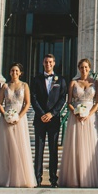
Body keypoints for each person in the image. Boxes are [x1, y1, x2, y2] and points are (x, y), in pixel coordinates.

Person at [60, 58, 98, 188]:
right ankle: (74, 177)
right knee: (76, 146)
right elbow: (69, 102)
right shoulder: (73, 83)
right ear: (78, 69)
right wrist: (76, 113)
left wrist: (89, 115)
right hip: (76, 117)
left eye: (86, 67)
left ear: (89, 69)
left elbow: (97, 103)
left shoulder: (95, 83)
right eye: (81, 67)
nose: (84, 70)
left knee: (89, 147)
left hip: (90, 118)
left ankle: (88, 177)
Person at [0, 62, 37, 188]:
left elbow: (27, 103)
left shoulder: (25, 85)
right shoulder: (5, 86)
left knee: (20, 147)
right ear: (9, 72)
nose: (14, 73)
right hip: (6, 119)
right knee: (8, 148)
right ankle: (8, 177)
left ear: (20, 73)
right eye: (12, 71)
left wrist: (19, 116)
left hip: (20, 119)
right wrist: (5, 115)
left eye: (16, 71)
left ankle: (21, 178)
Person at [30, 53, 67, 187]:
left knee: (53, 150)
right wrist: (42, 114)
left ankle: (53, 179)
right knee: (39, 150)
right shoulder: (36, 80)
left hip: (54, 119)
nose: (48, 64)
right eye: (46, 62)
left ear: (54, 63)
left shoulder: (61, 80)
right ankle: (37, 179)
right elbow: (33, 98)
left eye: (50, 62)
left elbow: (63, 98)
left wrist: (52, 113)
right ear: (43, 63)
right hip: (40, 119)